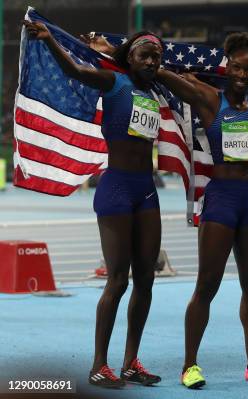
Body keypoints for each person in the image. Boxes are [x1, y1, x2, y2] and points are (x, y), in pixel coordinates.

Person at [23, 21, 165, 388]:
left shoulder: (158, 92)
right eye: (144, 54)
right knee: (118, 279)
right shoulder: (113, 82)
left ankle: (131, 362)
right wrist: (50, 39)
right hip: (117, 187)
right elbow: (74, 70)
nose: (151, 61)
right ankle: (99, 365)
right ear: (129, 58)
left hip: (146, 192)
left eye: (156, 56)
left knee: (146, 279)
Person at [152, 33, 248, 388]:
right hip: (222, 199)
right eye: (237, 67)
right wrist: (126, 52)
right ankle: (190, 365)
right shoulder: (210, 99)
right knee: (206, 285)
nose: (243, 73)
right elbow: (163, 74)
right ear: (227, 68)